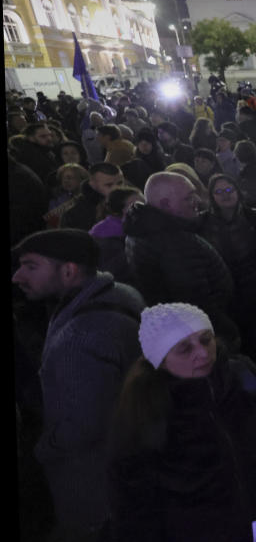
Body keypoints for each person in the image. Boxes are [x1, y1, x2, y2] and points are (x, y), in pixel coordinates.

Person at [108, 303, 256, 542]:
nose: (203, 353)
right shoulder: (145, 413)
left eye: (206, 340)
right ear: (159, 361)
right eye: (184, 349)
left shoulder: (246, 380)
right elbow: (134, 508)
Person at [11, 229, 144, 541]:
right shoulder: (120, 292)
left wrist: (43, 450)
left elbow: (83, 426)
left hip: (93, 481)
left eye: (30, 266)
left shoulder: (80, 337)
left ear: (68, 270)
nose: (17, 276)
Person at [124, 172, 238, 343]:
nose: (197, 201)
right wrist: (226, 333)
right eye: (189, 198)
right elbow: (197, 301)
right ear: (165, 204)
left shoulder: (143, 229)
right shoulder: (173, 244)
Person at [201, 174, 256, 371]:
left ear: (238, 191)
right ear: (212, 196)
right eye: (219, 192)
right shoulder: (204, 225)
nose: (226, 195)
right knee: (246, 343)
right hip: (231, 295)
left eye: (230, 189)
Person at [90, 186, 144, 285]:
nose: (144, 208)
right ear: (120, 210)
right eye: (136, 205)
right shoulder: (105, 238)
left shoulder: (135, 229)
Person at [59, 162, 124, 231]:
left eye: (120, 183)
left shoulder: (130, 204)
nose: (116, 189)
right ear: (93, 185)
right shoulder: (73, 214)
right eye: (109, 185)